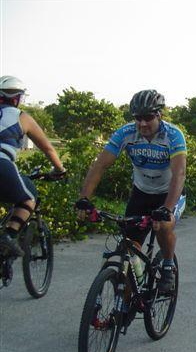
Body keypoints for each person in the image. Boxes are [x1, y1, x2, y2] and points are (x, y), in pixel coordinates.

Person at [75, 89, 186, 293]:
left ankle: (168, 265)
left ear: (159, 115)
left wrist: (167, 208)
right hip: (141, 193)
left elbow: (179, 174)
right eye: (138, 118)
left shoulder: (173, 135)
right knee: (130, 249)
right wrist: (84, 199)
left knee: (163, 225)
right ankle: (125, 306)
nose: (142, 123)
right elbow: (100, 165)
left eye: (148, 117)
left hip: (168, 193)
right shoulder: (126, 133)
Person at [0, 75, 66, 257]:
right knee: (29, 198)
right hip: (2, 164)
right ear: (17, 98)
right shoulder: (22, 117)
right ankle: (8, 236)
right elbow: (48, 148)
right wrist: (60, 170)